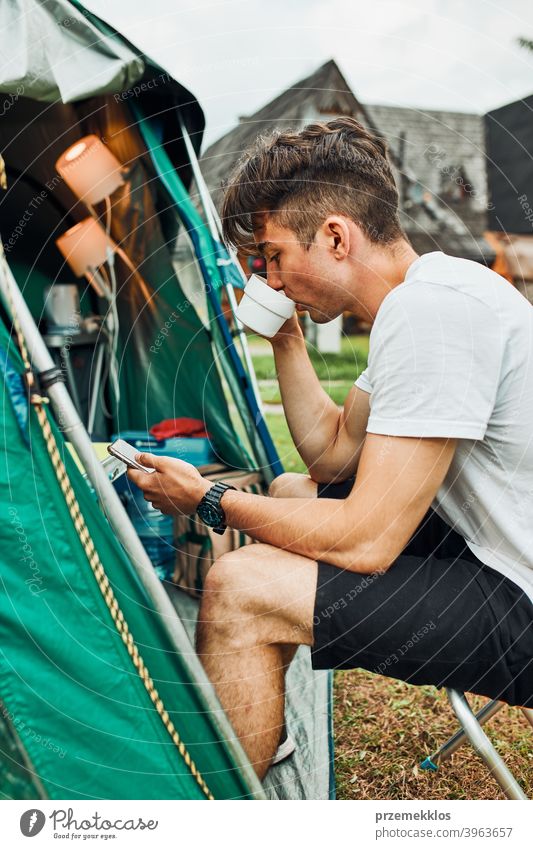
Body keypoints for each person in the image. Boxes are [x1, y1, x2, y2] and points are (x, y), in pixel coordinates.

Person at [128, 117, 533, 780]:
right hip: (495, 548)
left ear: (335, 236)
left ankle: (215, 804)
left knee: (237, 586)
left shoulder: (433, 311)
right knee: (291, 491)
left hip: (521, 597)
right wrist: (284, 338)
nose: (271, 278)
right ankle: (257, 718)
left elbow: (366, 538)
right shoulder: (423, 295)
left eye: (274, 256)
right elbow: (330, 456)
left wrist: (209, 498)